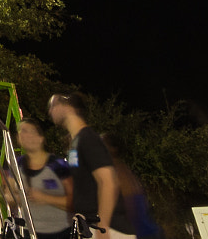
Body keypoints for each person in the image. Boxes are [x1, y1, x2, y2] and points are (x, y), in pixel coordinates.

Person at [48, 92, 131, 239]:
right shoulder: (76, 142)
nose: (50, 111)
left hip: (110, 229)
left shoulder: (88, 139)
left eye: (54, 105)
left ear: (68, 107)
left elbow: (108, 182)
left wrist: (103, 226)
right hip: (90, 227)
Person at [16, 118, 72, 236]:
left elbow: (75, 202)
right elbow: (9, 194)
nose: (23, 134)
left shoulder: (57, 164)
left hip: (58, 233)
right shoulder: (17, 165)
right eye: (21, 131)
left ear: (40, 138)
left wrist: (45, 198)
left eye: (28, 131)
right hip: (27, 232)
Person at [101, 132, 162, 239]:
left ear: (113, 149)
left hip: (140, 233)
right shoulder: (121, 169)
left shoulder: (118, 172)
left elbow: (133, 207)